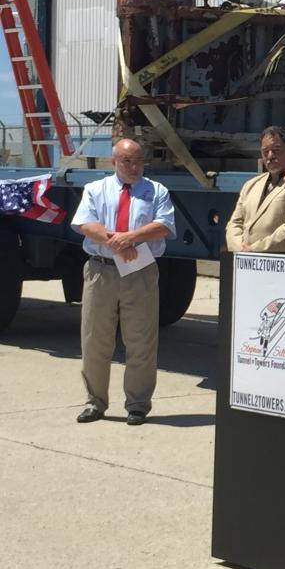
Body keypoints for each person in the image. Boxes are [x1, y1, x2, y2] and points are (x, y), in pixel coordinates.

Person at [72, 139, 176, 425]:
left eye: (139, 160)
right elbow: (85, 223)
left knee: (141, 339)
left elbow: (164, 225)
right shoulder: (96, 189)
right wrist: (117, 243)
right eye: (127, 161)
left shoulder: (156, 191)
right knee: (95, 338)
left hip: (140, 271)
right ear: (114, 162)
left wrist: (130, 238)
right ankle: (95, 402)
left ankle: (138, 404)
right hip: (101, 270)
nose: (134, 167)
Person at [224, 126, 285, 254]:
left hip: (279, 262)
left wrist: (255, 250)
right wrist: (239, 250)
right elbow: (234, 223)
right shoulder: (250, 185)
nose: (270, 156)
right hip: (244, 261)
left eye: (276, 150)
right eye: (265, 151)